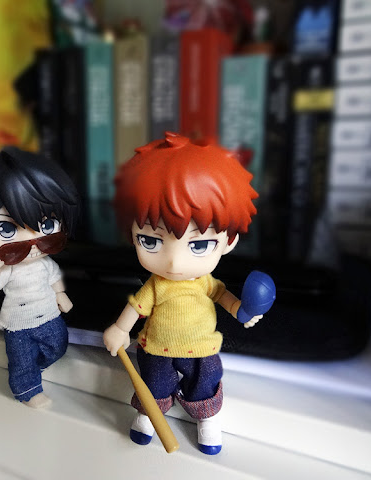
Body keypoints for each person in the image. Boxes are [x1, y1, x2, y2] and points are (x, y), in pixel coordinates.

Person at [103, 132, 262, 454]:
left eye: (199, 245)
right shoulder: (156, 285)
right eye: (151, 241)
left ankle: (207, 417)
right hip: (157, 347)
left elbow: (222, 296)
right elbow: (137, 307)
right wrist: (120, 328)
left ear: (229, 241)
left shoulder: (206, 282)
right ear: (131, 234)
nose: (174, 262)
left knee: (204, 382)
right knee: (153, 383)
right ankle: (149, 413)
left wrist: (241, 310)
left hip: (201, 348)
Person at [0, 146, 80, 408]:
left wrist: (60, 294)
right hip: (19, 324)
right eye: (7, 229)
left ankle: (35, 367)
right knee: (21, 360)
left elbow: (54, 277)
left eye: (46, 226)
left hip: (49, 315)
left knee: (58, 346)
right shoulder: (9, 268)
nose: (32, 242)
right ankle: (27, 389)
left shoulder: (45, 263)